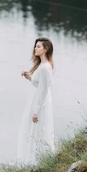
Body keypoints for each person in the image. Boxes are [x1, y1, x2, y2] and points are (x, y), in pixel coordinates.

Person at [17, 37, 55, 165]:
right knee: (36, 129)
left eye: (38, 46)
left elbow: (43, 90)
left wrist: (36, 111)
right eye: (35, 46)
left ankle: (37, 161)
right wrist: (30, 77)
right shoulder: (43, 65)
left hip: (39, 102)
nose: (35, 48)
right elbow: (39, 84)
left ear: (46, 49)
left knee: (38, 129)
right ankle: (35, 160)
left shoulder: (45, 67)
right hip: (37, 99)